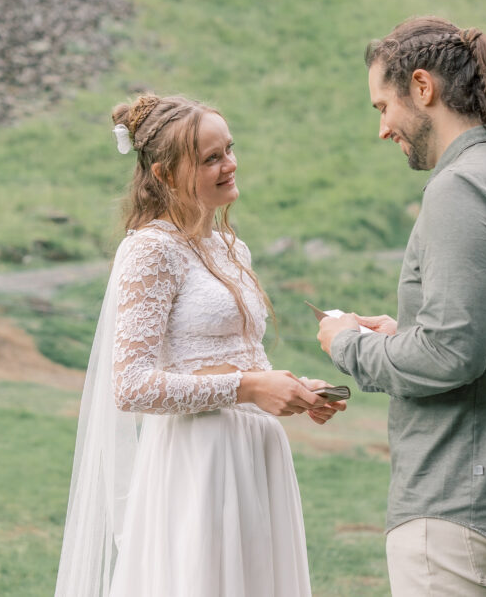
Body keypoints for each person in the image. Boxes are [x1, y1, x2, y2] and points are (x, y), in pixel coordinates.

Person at [316, 17, 486, 596]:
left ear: (423, 89)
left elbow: (453, 352)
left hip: (455, 504)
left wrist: (350, 345)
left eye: (383, 106)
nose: (383, 128)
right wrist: (401, 334)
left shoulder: (461, 187)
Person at [55, 93, 346, 597]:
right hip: (196, 462)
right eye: (210, 158)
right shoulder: (150, 250)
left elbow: (239, 358)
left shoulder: (231, 246)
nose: (229, 164)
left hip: (254, 453)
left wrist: (292, 388)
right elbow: (130, 386)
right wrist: (251, 388)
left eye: (229, 149)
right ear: (165, 175)